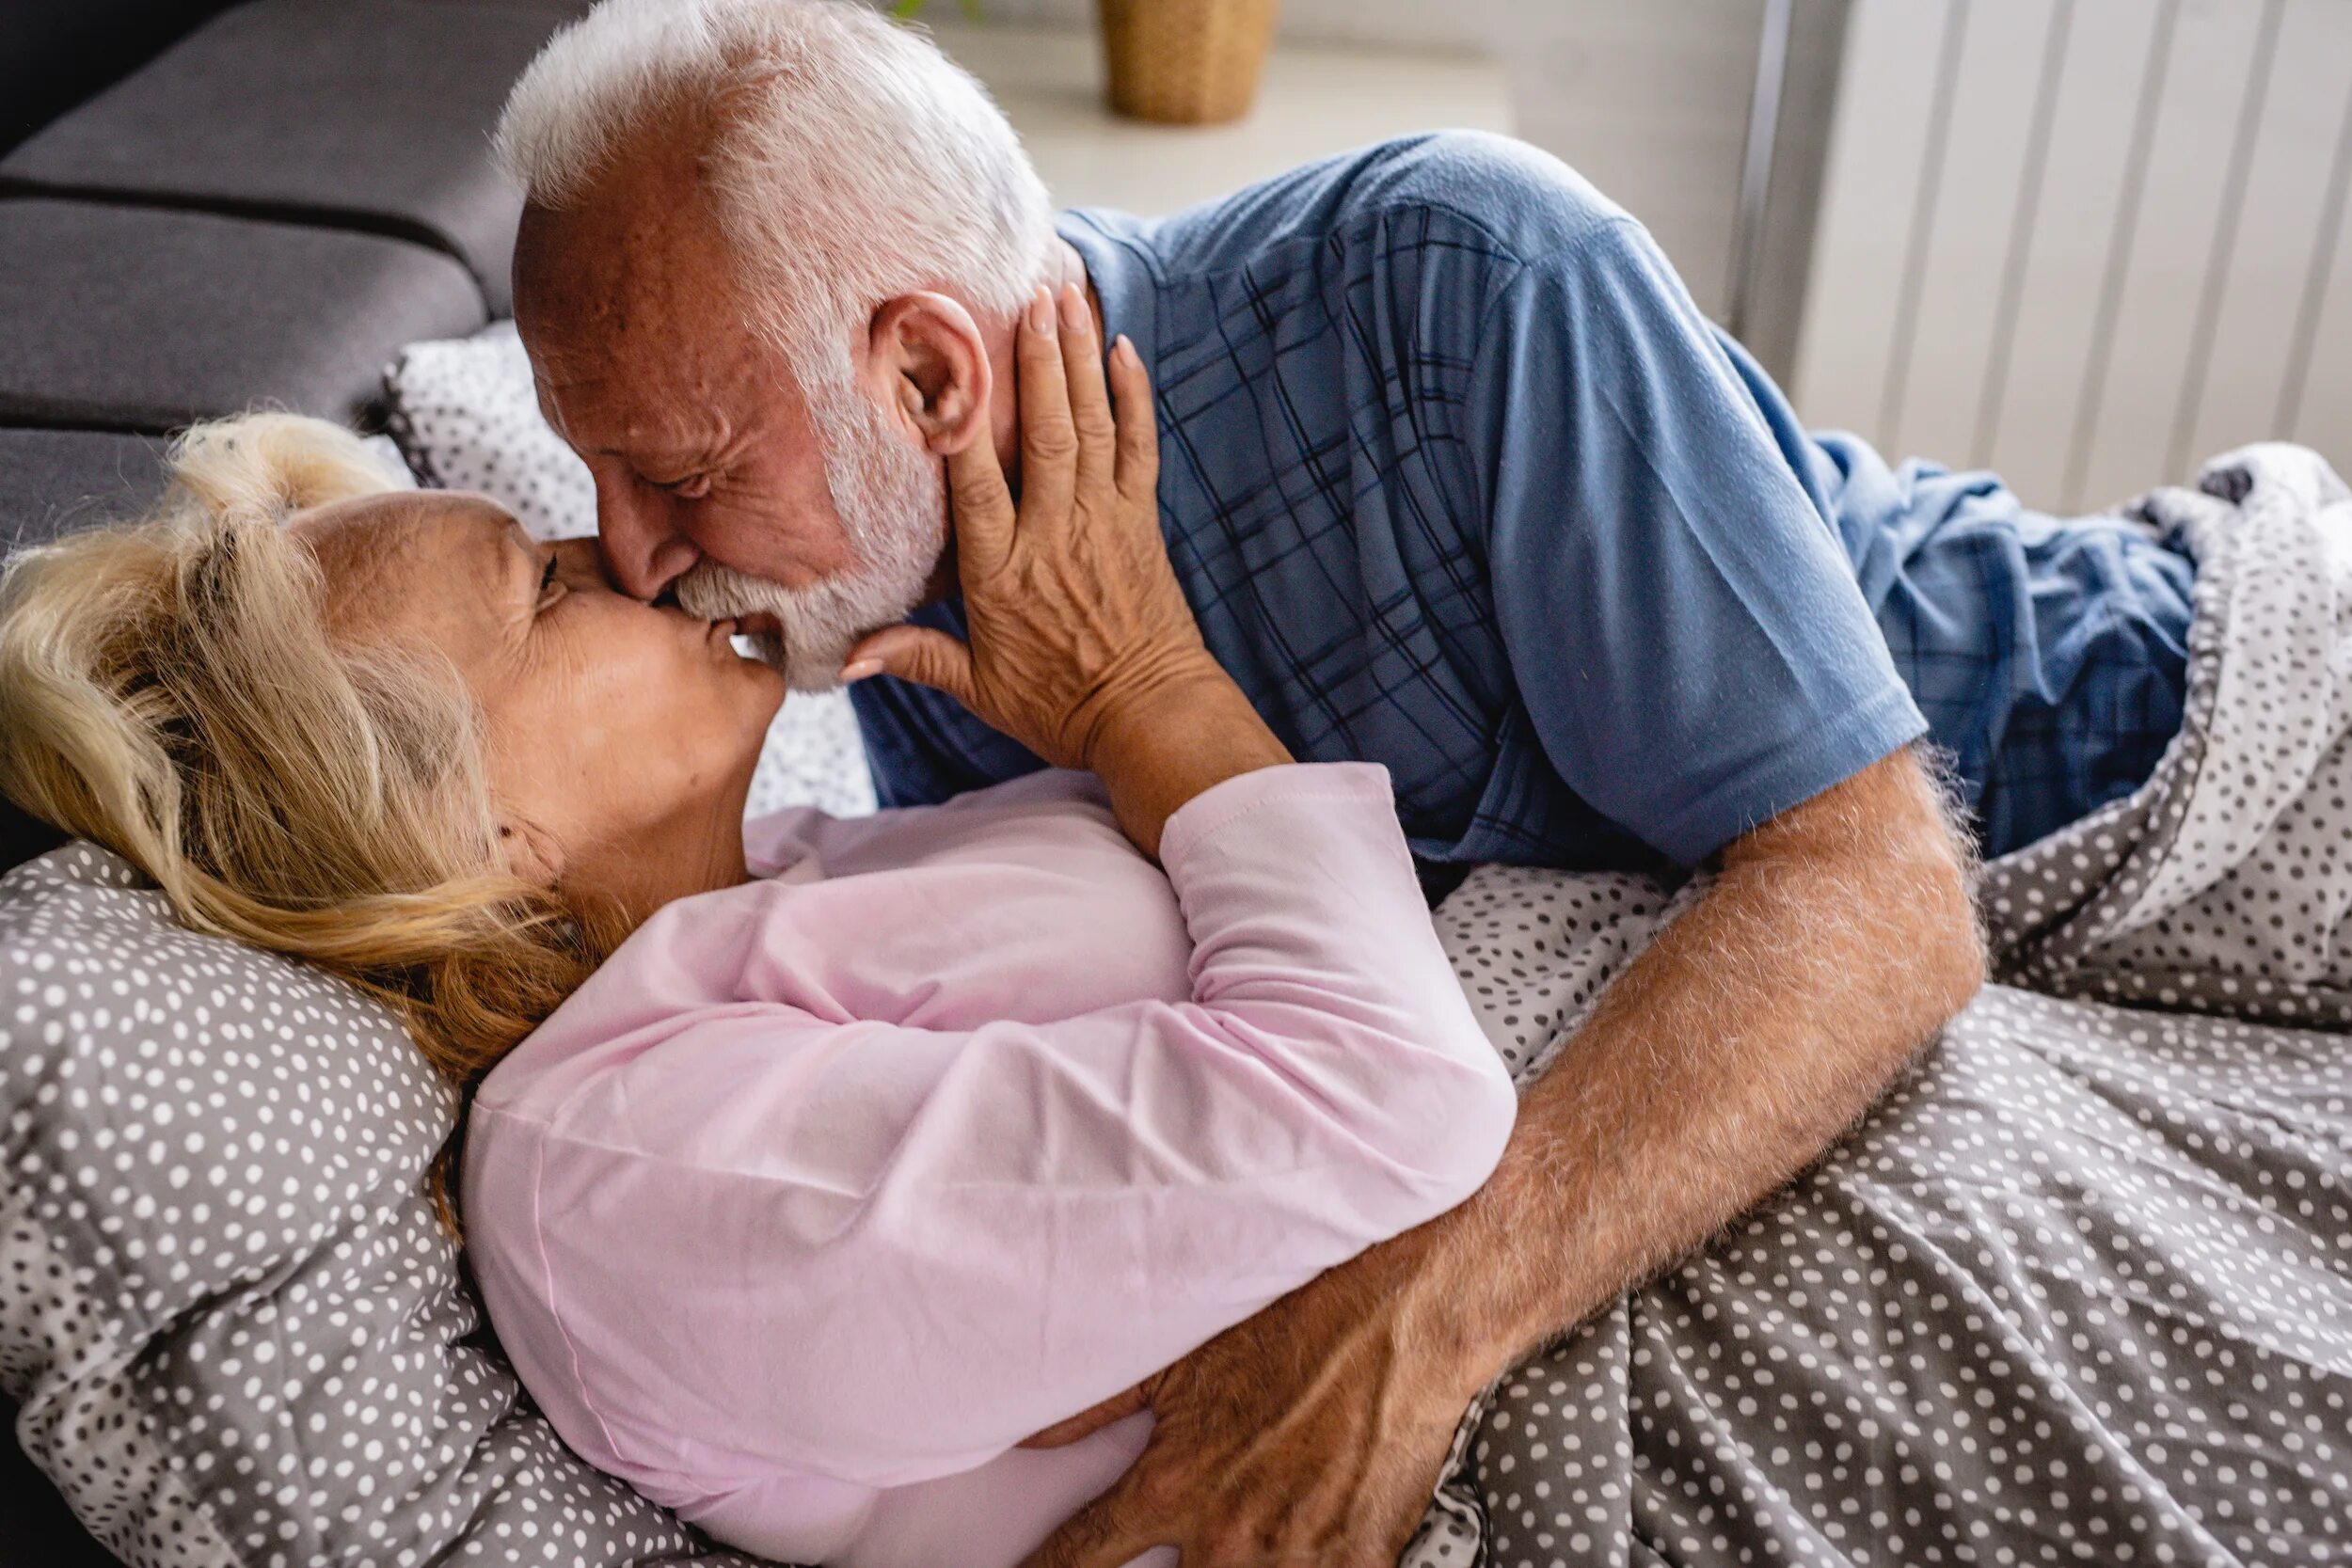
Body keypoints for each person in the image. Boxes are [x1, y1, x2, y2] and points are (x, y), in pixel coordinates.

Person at [496, 3, 2005, 1558]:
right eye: (590, 473)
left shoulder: (1462, 273)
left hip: (2076, 706)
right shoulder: (895, 590)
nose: (629, 556)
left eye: (679, 476)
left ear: (934, 384)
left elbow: (1882, 893)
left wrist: (1419, 1323)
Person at [0, 317, 1515, 1566]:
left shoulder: (777, 882)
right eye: (541, 587)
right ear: (472, 836)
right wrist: (1148, 694)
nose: (627, 551)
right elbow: (1388, 1089)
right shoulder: (623, 1171)